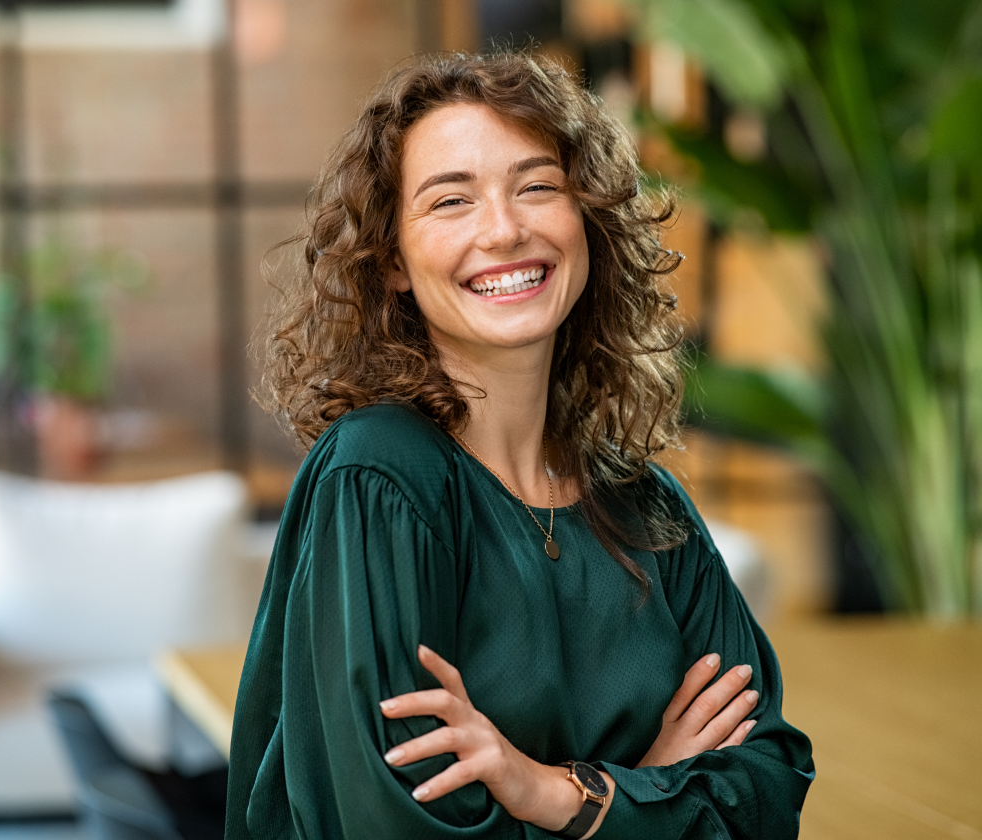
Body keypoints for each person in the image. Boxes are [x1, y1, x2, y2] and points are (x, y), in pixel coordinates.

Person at [225, 51, 813, 839]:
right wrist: (644, 794)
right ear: (393, 260)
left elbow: (766, 794)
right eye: (451, 200)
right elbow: (394, 828)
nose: (504, 230)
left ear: (587, 220)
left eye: (537, 187)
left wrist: (556, 792)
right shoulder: (380, 476)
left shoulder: (646, 507)